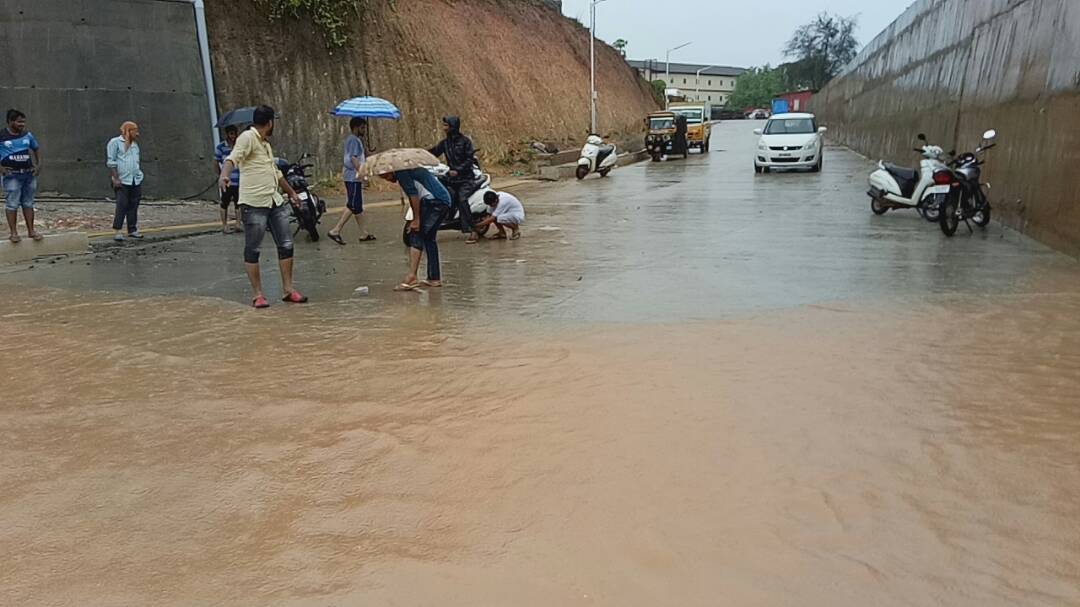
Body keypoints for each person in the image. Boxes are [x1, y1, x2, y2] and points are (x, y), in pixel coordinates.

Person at [219, 105, 307, 309]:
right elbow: (232, 158)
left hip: (274, 201)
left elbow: (276, 173)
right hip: (253, 202)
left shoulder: (265, 145)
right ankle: (257, 294)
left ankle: (288, 290)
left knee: (286, 245)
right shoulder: (247, 138)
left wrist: (292, 193)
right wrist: (224, 175)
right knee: (253, 249)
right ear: (270, 123)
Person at [379, 166, 452, 290]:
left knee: (416, 235)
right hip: (440, 201)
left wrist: (416, 220)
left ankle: (412, 276)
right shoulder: (407, 170)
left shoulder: (402, 173)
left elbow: (414, 197)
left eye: (386, 176)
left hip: (435, 202)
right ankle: (434, 278)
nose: (387, 180)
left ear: (391, 171)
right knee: (429, 239)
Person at [428, 116, 479, 243]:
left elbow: (469, 159)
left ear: (453, 127)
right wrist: (418, 156)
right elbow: (433, 152)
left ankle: (472, 231)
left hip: (466, 178)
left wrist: (458, 170)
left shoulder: (465, 142)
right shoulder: (445, 143)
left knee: (462, 199)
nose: (444, 128)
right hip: (450, 178)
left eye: (446, 126)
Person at [327, 117, 375, 245]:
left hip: (353, 177)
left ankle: (364, 233)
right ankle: (335, 230)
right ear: (356, 127)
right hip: (353, 177)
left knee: (357, 206)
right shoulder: (353, 140)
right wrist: (362, 174)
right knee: (353, 204)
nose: (364, 130)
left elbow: (361, 155)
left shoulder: (355, 140)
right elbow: (354, 159)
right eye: (362, 127)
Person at [1, 109, 42, 242]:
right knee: (12, 204)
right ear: (10, 121)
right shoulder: (2, 135)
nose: (22, 124)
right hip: (12, 175)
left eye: (23, 122)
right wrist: (0, 168)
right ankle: (14, 233)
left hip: (28, 174)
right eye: (19, 122)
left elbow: (36, 149)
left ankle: (31, 231)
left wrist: (38, 165)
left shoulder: (27, 135)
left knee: (28, 203)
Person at [106, 121, 144, 242]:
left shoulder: (134, 145)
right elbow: (111, 161)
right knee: (122, 205)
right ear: (128, 131)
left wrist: (138, 174)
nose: (137, 133)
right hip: (122, 180)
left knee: (134, 205)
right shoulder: (115, 143)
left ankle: (132, 229)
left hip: (135, 179)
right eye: (134, 130)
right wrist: (115, 178)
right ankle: (117, 230)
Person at [214, 125, 242, 234]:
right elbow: (216, 162)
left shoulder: (239, 146)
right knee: (224, 203)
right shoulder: (221, 147)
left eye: (234, 134)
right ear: (227, 134)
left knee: (238, 203)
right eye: (231, 134)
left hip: (239, 180)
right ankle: (225, 225)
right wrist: (220, 175)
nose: (233, 137)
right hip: (227, 180)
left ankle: (238, 224)